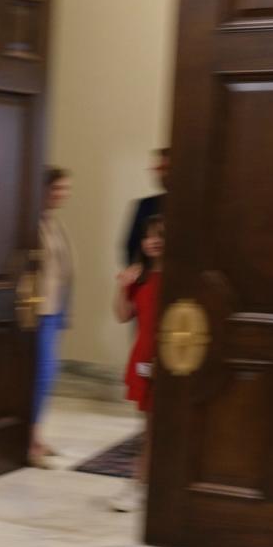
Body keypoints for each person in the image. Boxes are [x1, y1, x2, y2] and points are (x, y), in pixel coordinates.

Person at [111, 215, 164, 512]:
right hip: (144, 355)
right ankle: (140, 484)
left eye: (160, 235)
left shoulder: (178, 276)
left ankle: (140, 483)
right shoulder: (140, 276)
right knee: (149, 424)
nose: (153, 241)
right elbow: (122, 315)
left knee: (155, 426)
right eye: (148, 236)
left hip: (168, 355)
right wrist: (122, 286)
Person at [29, 167, 74, 468]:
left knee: (49, 374)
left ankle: (36, 435)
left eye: (65, 189)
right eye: (57, 188)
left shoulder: (53, 223)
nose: (62, 194)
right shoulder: (31, 223)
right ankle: (31, 441)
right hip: (39, 310)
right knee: (41, 375)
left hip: (55, 308)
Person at [123, 148, 169, 266]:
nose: (161, 174)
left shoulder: (194, 208)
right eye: (158, 169)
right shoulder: (146, 205)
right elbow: (131, 249)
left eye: (165, 168)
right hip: (150, 277)